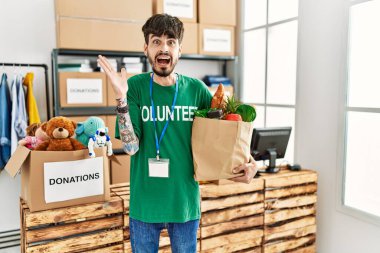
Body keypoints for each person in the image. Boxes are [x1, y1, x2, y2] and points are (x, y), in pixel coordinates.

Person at [97, 13, 258, 253]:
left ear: (179, 50)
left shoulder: (196, 90)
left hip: (184, 203)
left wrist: (250, 161)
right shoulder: (136, 88)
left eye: (171, 42)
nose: (164, 48)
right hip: (145, 203)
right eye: (156, 41)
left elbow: (228, 131)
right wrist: (121, 99)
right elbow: (131, 148)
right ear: (146, 49)